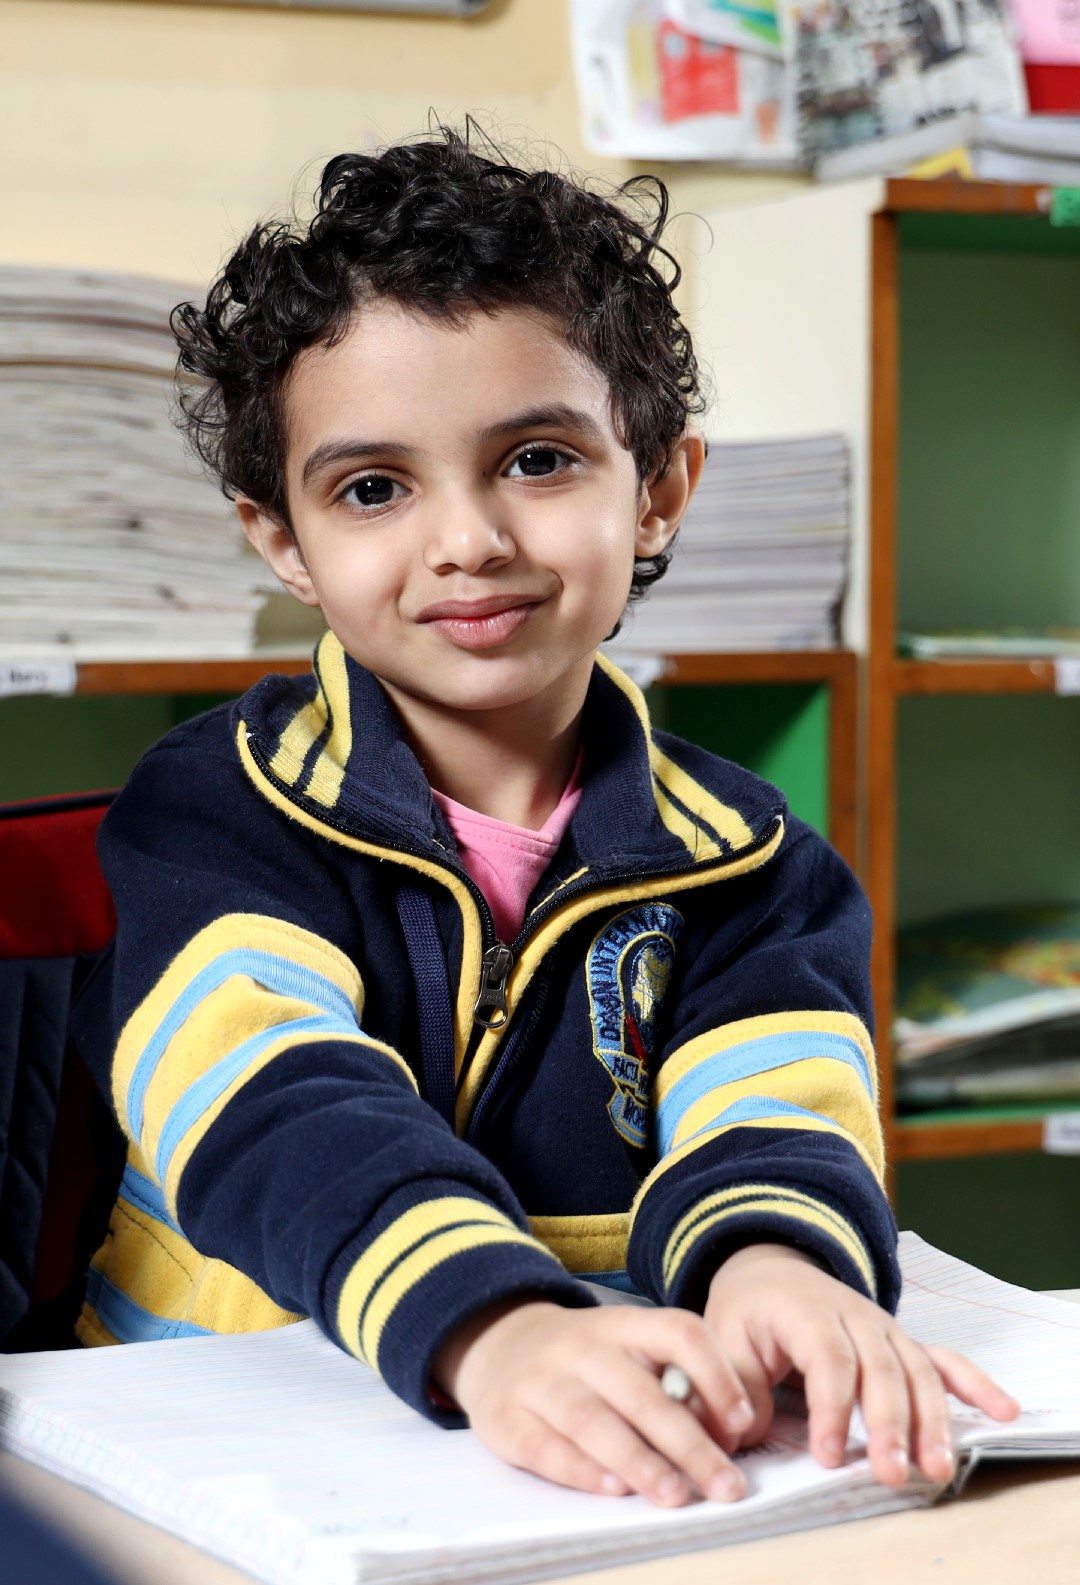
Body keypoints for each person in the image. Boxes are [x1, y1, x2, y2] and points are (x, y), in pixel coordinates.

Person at [71, 126, 1017, 1509]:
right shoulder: (217, 806)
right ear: (284, 539)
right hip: (230, 1445)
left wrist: (776, 1269)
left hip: (596, 1457)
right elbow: (265, 1095)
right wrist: (491, 1324)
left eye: (536, 459)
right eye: (374, 488)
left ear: (661, 488)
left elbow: (778, 1105)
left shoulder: (753, 859)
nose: (468, 540)